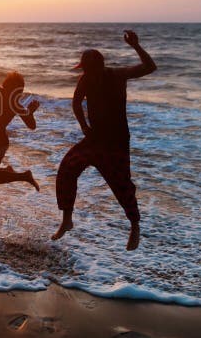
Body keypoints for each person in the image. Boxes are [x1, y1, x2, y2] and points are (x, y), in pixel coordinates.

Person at [52, 30, 157, 251]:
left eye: (89, 70)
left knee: (122, 185)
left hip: (117, 141)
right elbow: (76, 102)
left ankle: (135, 226)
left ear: (99, 67)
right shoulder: (85, 80)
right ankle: (67, 219)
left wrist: (136, 46)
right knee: (67, 169)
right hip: (94, 139)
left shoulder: (117, 75)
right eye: (85, 70)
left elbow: (150, 68)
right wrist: (83, 126)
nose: (87, 73)